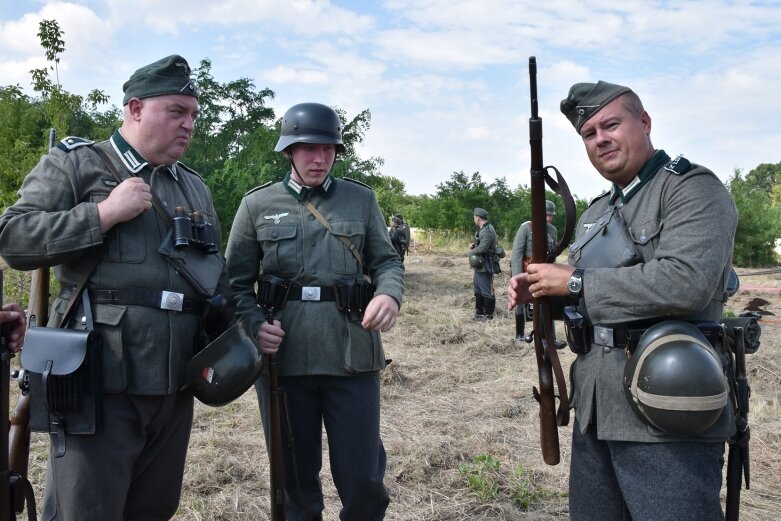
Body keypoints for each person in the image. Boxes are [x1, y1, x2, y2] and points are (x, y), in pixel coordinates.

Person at [0, 55, 231, 521]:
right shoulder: (78, 164)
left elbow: (214, 276)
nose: (188, 125)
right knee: (87, 511)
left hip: (173, 382)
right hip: (99, 382)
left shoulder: (193, 188)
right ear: (135, 108)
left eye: (193, 115)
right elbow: (13, 238)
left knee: (154, 509)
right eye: (176, 112)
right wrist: (103, 214)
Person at [508, 81, 738, 520]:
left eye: (611, 124)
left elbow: (686, 283)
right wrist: (544, 295)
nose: (600, 139)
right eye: (589, 133)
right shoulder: (595, 212)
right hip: (596, 405)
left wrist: (574, 283)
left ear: (645, 122)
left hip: (668, 407)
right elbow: (591, 298)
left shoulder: (691, 189)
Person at [225, 102, 404, 520]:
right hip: (282, 360)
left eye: (328, 149)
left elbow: (387, 262)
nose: (319, 158)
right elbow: (233, 283)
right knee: (293, 483)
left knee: (363, 480)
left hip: (351, 354)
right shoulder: (256, 205)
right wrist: (254, 326)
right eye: (308, 148)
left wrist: (389, 295)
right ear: (289, 150)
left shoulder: (360, 200)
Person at [510, 201, 566, 348]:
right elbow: (516, 254)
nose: (548, 219)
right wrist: (516, 279)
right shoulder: (525, 229)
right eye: (546, 215)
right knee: (521, 304)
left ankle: (550, 338)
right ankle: (519, 335)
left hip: (545, 273)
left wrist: (554, 273)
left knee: (547, 302)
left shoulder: (552, 230)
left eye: (551, 216)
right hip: (526, 271)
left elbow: (553, 254)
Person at [469, 207, 497, 321]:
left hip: (486, 264)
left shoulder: (488, 230)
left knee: (486, 290)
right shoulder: (483, 229)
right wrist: (474, 246)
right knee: (478, 289)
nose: (474, 219)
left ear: (478, 218)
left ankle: (488, 315)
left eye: (474, 217)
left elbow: (483, 248)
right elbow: (480, 245)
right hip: (480, 265)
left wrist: (471, 251)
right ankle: (479, 313)